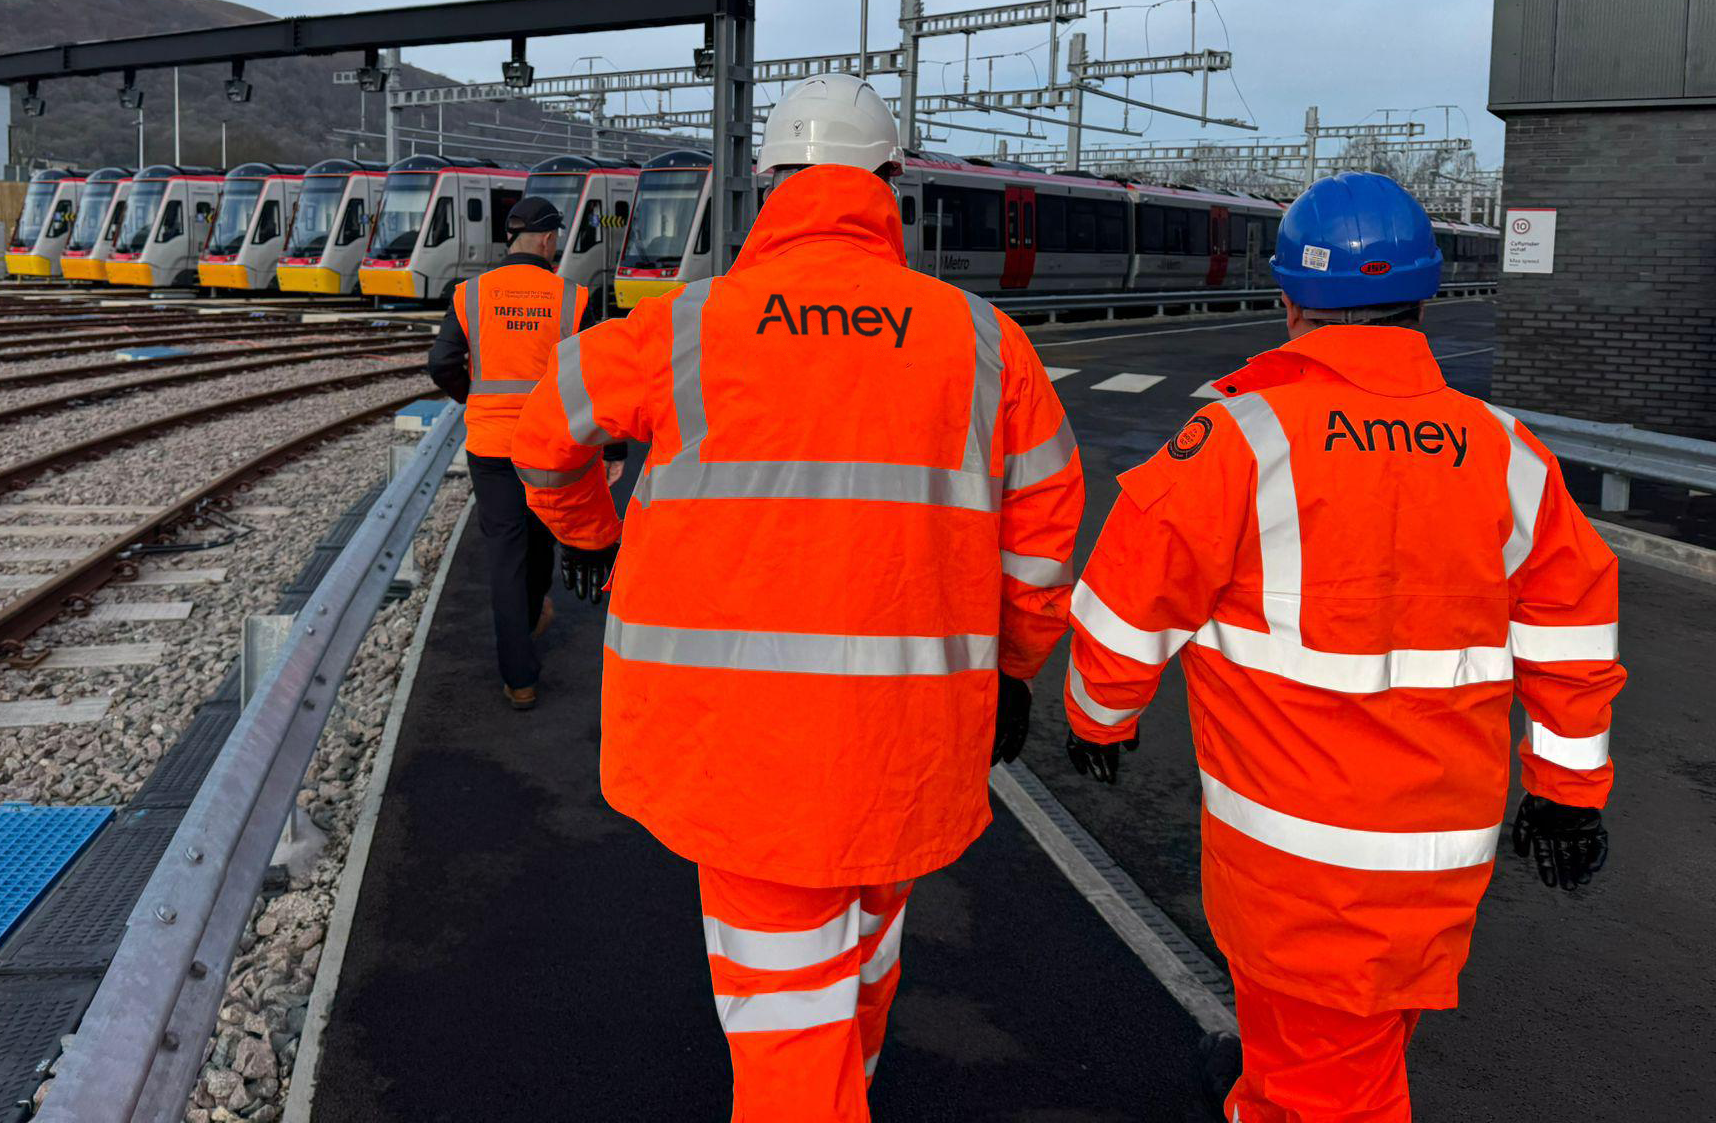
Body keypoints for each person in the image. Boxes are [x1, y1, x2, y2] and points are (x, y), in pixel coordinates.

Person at [509, 75, 1084, 1121]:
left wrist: (593, 532)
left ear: (767, 184)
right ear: (889, 184)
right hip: (906, 736)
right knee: (864, 949)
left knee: (786, 1013)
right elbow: (1043, 539)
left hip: (739, 749)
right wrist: (1011, 669)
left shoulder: (688, 325)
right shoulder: (983, 343)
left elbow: (542, 431)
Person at [1060, 172, 1624, 1123]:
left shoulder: (1242, 438)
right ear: (1425, 295)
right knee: (1349, 1045)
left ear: (1288, 299)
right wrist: (1568, 797)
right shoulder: (1504, 451)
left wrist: (1099, 720)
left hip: (1296, 865)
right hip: (1438, 856)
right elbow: (1573, 629)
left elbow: (1129, 599)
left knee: (1338, 1085)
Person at [426, 194, 585, 710]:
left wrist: (472, 396)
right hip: (549, 445)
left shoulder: (470, 294)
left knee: (505, 552)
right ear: (546, 239)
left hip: (491, 446)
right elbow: (593, 377)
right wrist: (612, 449)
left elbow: (443, 361)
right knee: (542, 535)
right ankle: (536, 609)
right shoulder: (572, 298)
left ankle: (520, 678)